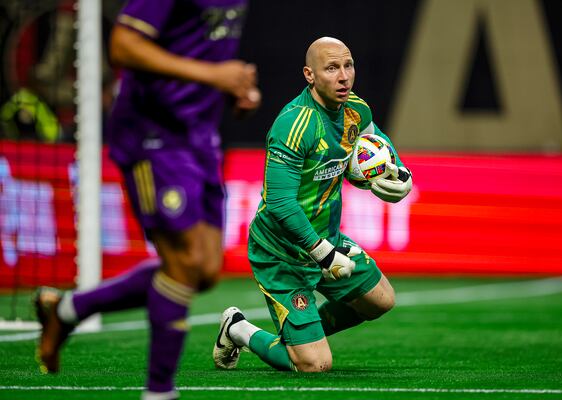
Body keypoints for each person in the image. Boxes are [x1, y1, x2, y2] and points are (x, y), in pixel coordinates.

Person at [34, 1, 260, 399]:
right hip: (152, 132)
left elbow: (200, 47)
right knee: (184, 261)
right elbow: (123, 45)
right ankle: (159, 392)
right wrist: (214, 75)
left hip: (199, 134)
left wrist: (232, 88)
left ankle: (67, 310)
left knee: (205, 270)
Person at [212, 37, 412, 373]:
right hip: (282, 251)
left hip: (328, 239)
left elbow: (373, 141)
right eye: (332, 68)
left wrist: (395, 170)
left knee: (381, 301)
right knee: (314, 364)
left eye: (348, 65)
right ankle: (239, 328)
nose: (343, 76)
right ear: (309, 74)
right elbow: (278, 203)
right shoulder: (294, 124)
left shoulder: (356, 110)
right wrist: (323, 254)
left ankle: (301, 333)